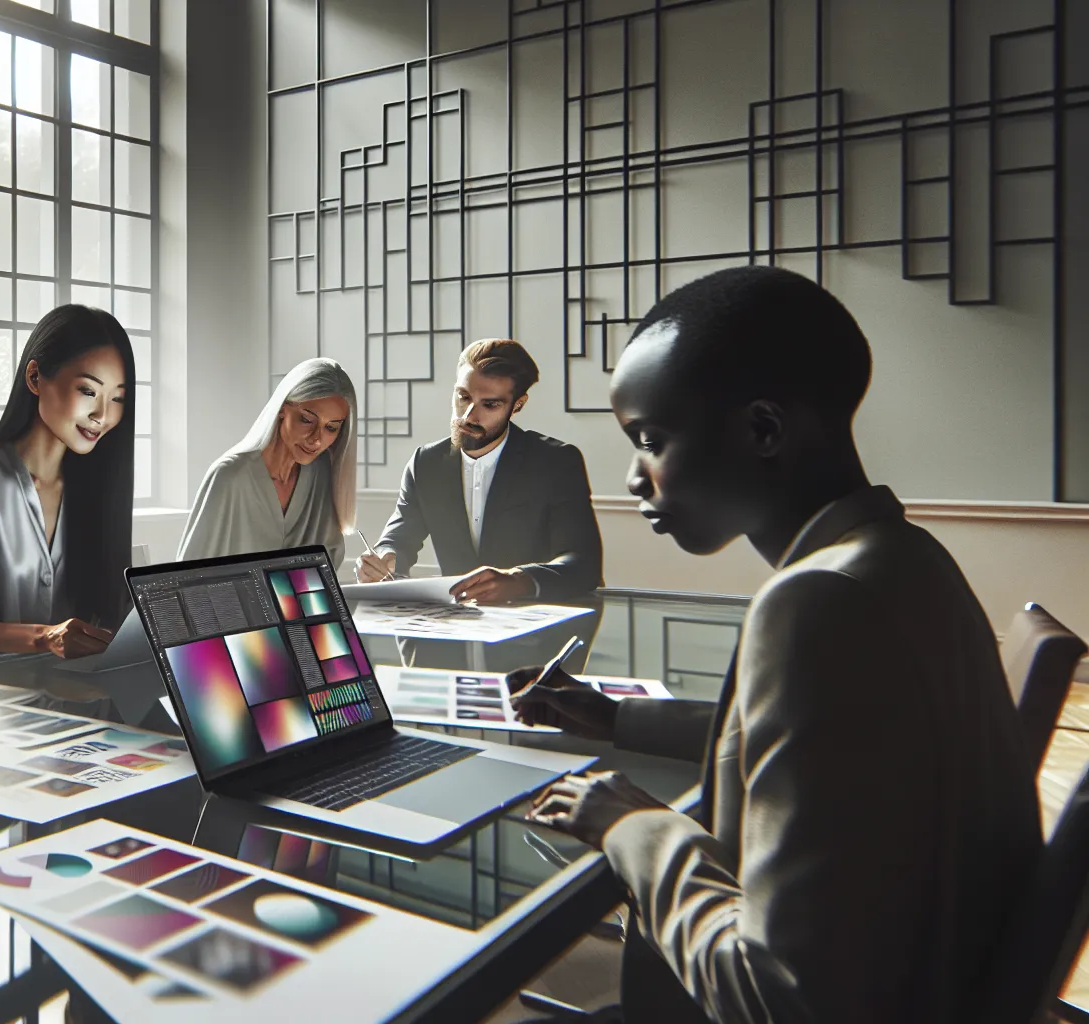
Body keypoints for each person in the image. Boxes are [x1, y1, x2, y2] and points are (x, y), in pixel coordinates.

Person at [511, 266, 1040, 1023]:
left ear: (763, 430)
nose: (633, 476)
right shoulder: (905, 559)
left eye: (650, 440)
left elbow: (778, 999)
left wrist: (628, 824)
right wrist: (618, 719)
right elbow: (825, 741)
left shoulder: (815, 602)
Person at [0, 304, 136, 663]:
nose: (103, 415)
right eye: (88, 391)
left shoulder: (99, 493)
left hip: (86, 704)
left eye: (118, 398)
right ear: (35, 378)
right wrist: (44, 638)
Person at [356, 338, 602, 604]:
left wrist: (517, 581)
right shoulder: (425, 463)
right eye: (463, 397)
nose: (469, 416)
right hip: (455, 629)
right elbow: (399, 536)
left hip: (538, 631)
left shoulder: (556, 462)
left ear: (517, 405)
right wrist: (384, 558)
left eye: (490, 404)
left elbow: (584, 564)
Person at [177, 357, 358, 568]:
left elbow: (327, 567)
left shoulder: (321, 473)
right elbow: (188, 575)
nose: (316, 439)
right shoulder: (230, 476)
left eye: (331, 428)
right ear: (282, 408)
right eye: (307, 420)